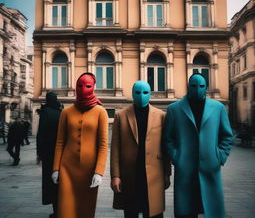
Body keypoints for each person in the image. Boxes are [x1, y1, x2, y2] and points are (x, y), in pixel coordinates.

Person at [164, 73, 233, 218]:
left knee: (212, 209)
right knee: (186, 210)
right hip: (185, 170)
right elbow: (168, 138)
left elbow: (227, 135)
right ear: (188, 86)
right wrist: (177, 157)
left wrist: (219, 156)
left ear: (206, 87)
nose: (197, 89)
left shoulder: (218, 108)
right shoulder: (174, 109)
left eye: (201, 86)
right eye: (193, 86)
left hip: (210, 168)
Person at [111, 81, 171, 218]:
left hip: (154, 175)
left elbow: (165, 147)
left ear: (150, 94)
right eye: (138, 92)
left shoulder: (161, 115)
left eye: (145, 92)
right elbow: (115, 148)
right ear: (132, 93)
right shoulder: (121, 116)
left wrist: (167, 173)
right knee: (131, 212)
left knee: (154, 212)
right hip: (130, 175)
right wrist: (115, 176)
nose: (141, 96)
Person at [52, 73, 108, 218]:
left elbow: (103, 145)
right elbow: (59, 142)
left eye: (88, 85)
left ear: (94, 87)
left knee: (85, 210)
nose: (83, 88)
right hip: (67, 169)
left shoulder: (101, 112)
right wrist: (56, 168)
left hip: (89, 171)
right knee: (65, 210)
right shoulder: (66, 112)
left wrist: (99, 171)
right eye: (80, 85)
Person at [37, 91, 62, 218]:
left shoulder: (45, 112)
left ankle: (56, 211)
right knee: (59, 182)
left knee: (50, 183)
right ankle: (61, 209)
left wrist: (39, 153)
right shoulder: (61, 111)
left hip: (48, 154)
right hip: (60, 154)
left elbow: (41, 134)